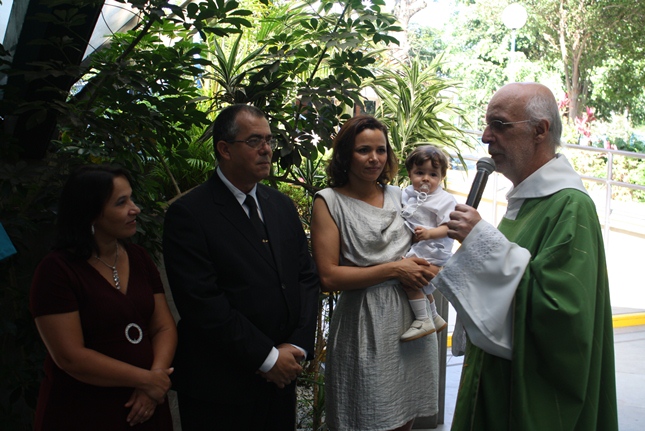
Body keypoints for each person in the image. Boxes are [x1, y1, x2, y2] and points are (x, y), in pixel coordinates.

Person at [431, 82, 619, 430]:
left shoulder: (570, 206)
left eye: (499, 125)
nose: (486, 137)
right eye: (486, 125)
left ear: (539, 130)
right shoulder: (525, 200)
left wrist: (482, 240)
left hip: (528, 394)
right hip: (492, 377)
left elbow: (563, 315)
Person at [162, 104, 320, 430]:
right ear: (225, 149)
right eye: (254, 141)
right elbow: (202, 301)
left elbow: (305, 277)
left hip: (281, 379)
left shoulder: (280, 205)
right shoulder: (190, 213)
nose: (267, 150)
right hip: (221, 387)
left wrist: (296, 346)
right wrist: (267, 358)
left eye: (269, 140)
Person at [311, 115, 440, 431]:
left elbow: (430, 242)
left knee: (406, 414)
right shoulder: (329, 202)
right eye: (363, 150)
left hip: (412, 321)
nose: (374, 158)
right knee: (367, 415)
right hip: (364, 323)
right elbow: (328, 277)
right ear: (345, 154)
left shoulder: (402, 195)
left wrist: (431, 266)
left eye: (381, 150)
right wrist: (394, 269)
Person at [29, 165, 177, 430]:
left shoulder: (139, 257)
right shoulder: (57, 271)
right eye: (121, 202)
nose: (135, 209)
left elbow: (163, 326)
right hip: (85, 410)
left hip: (146, 406)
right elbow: (70, 356)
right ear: (91, 213)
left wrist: (154, 380)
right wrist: (146, 380)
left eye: (131, 199)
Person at [399, 145, 454, 342]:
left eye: (433, 174)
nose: (425, 179)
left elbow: (449, 227)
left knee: (408, 279)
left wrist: (430, 234)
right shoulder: (407, 194)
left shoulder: (444, 200)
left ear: (441, 177)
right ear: (410, 173)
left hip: (433, 248)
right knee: (421, 283)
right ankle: (435, 316)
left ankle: (423, 319)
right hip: (420, 245)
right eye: (419, 173)